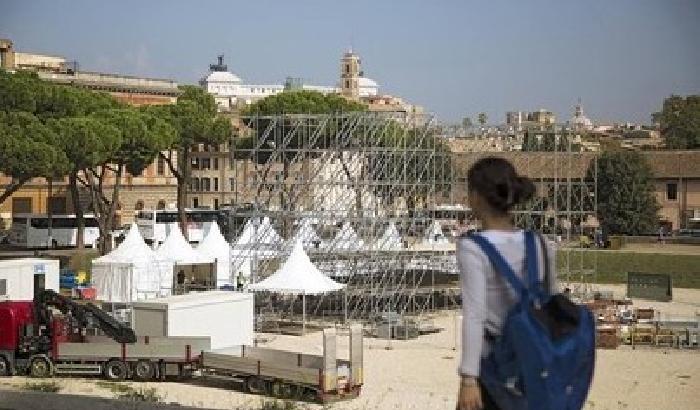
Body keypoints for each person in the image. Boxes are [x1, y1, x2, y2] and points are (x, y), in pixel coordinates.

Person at [456, 157, 558, 410]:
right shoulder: (541, 243)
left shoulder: (473, 248)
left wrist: (469, 378)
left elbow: (475, 315)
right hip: (536, 360)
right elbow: (552, 301)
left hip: (495, 362)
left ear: (477, 196)